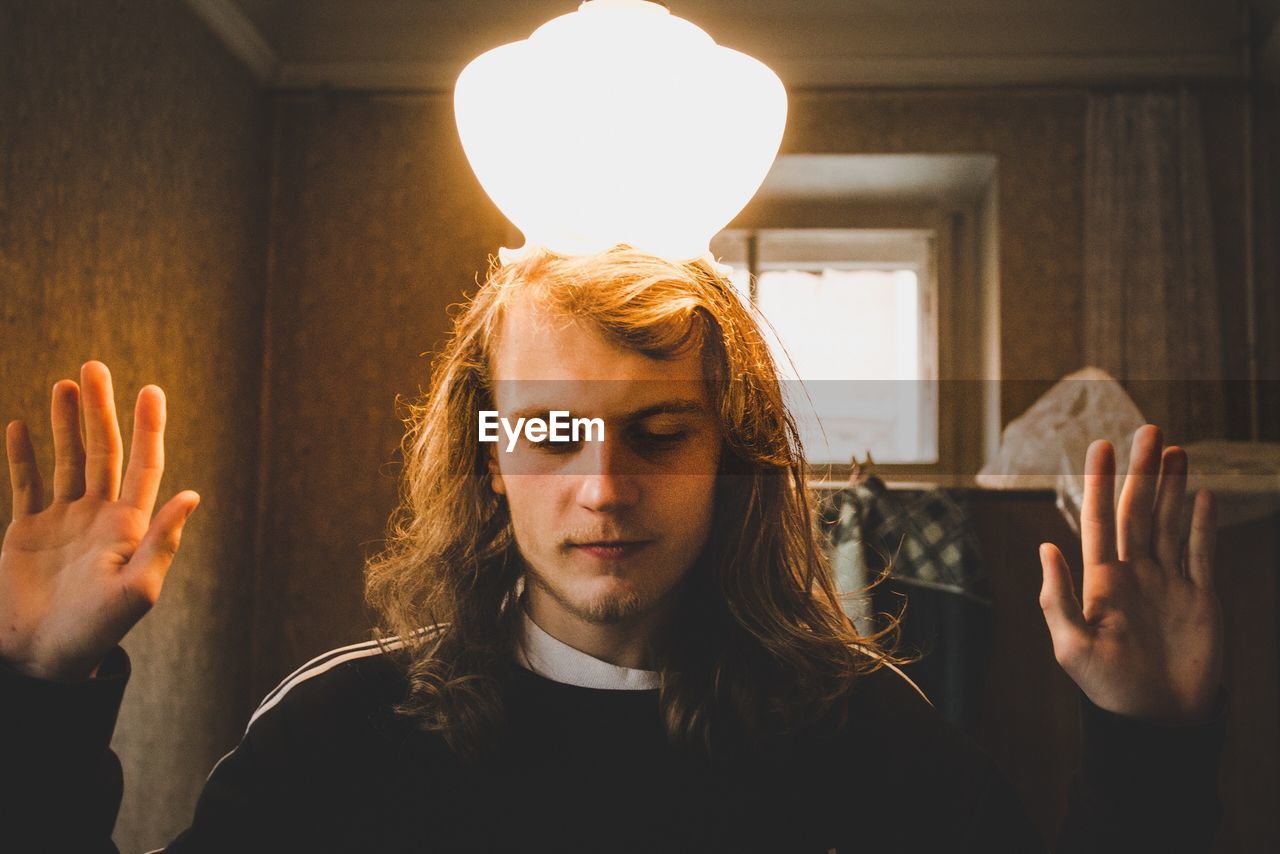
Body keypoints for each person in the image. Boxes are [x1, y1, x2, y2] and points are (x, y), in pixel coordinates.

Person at [2, 248, 1226, 852]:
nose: (601, 485)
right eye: (549, 430)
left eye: (657, 431)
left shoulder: (869, 745)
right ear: (488, 453)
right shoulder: (340, 733)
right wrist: (40, 696)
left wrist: (1151, 745)